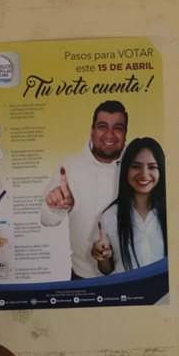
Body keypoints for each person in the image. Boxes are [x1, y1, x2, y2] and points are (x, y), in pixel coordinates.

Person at [39, 100, 128, 279]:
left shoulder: (138, 166)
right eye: (102, 126)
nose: (110, 135)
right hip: (83, 277)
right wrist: (57, 207)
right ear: (92, 131)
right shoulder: (70, 166)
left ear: (125, 134)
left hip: (132, 275)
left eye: (118, 128)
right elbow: (46, 219)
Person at [91, 137, 167, 274]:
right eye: (136, 166)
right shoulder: (110, 215)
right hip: (128, 293)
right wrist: (102, 257)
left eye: (152, 167)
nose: (144, 174)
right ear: (126, 170)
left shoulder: (172, 213)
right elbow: (107, 270)